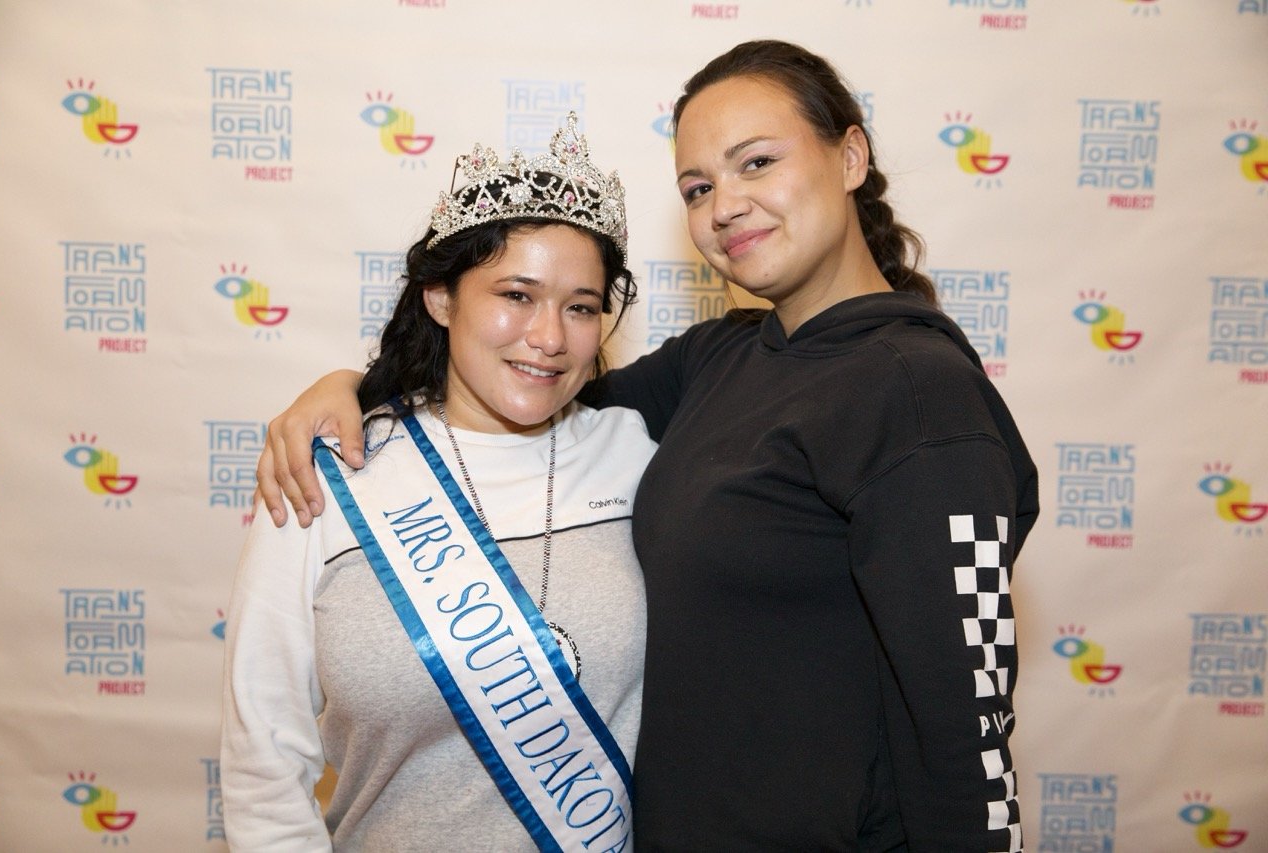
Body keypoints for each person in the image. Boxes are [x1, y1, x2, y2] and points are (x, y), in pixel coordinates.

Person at [257, 41, 1040, 852]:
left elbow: (966, 733)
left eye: (757, 162)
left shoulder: (918, 394)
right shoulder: (720, 357)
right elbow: (529, 385)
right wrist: (356, 386)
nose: (724, 206)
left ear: (850, 156)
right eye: (698, 188)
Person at [221, 114, 657, 851]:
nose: (550, 336)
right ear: (440, 298)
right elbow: (263, 763)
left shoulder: (638, 454)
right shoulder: (330, 471)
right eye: (516, 295)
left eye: (581, 307)